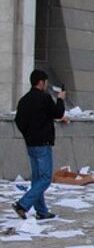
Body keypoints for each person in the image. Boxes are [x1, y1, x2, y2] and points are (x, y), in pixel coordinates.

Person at [13, 69, 66, 220]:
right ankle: (22, 204)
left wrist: (28, 134)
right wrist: (61, 99)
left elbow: (18, 121)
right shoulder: (44, 98)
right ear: (41, 82)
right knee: (45, 179)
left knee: (37, 179)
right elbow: (58, 113)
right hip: (43, 143)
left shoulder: (24, 100)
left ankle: (42, 211)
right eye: (46, 82)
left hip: (31, 144)